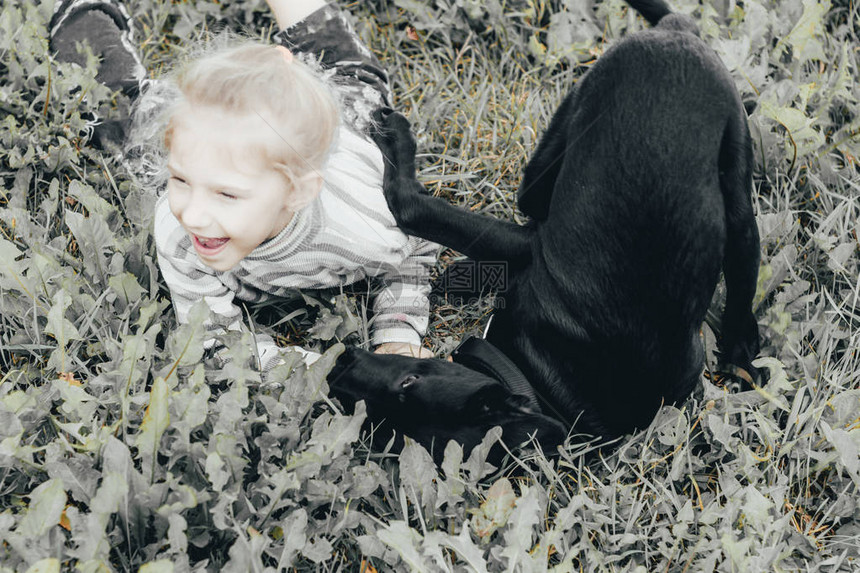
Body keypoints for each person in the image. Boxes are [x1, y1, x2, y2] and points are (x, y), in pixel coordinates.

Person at [50, 0, 438, 372]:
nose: (192, 215)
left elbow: (414, 252)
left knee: (346, 65)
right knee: (118, 112)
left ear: (298, 192)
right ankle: (80, 12)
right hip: (212, 130)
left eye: (227, 194)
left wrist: (397, 334)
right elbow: (218, 340)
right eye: (181, 179)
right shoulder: (178, 232)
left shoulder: (367, 225)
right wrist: (330, 372)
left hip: (353, 117)